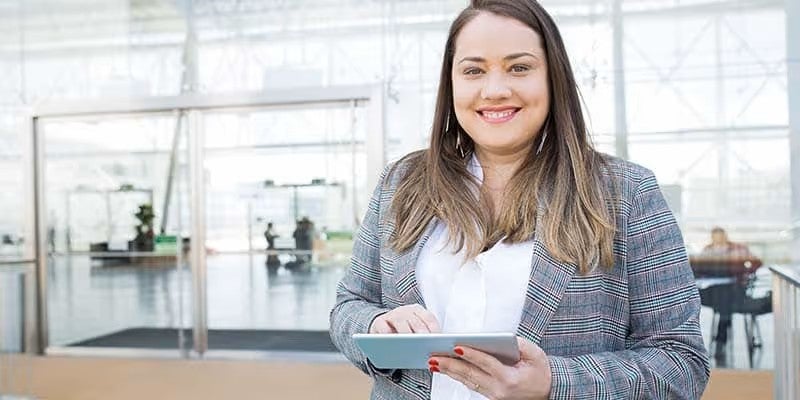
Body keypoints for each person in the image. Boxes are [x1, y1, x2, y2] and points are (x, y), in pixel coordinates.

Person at [329, 1, 709, 399]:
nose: (494, 90)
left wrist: (553, 382)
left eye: (519, 67)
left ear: (552, 78)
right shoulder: (402, 182)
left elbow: (681, 362)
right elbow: (349, 306)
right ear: (452, 83)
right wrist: (377, 326)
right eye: (473, 70)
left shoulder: (624, 193)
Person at [696, 227, 761, 365]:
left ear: (725, 236)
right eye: (715, 237)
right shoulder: (708, 250)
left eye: (720, 236)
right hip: (712, 292)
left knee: (725, 297)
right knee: (722, 298)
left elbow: (757, 262)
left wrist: (745, 274)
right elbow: (697, 269)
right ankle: (719, 337)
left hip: (734, 290)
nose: (718, 239)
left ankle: (721, 339)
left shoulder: (738, 248)